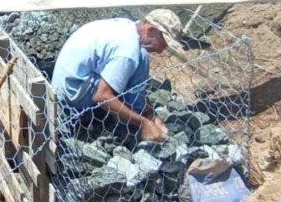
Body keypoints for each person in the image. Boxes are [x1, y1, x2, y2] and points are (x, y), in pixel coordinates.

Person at [51, 9, 184, 142]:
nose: (161, 51)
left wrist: (151, 114)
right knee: (131, 64)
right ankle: (135, 117)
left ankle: (140, 110)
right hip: (71, 94)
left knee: (142, 56)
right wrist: (143, 124)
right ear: (150, 30)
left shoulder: (128, 27)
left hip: (69, 80)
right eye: (163, 44)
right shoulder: (128, 51)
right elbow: (101, 97)